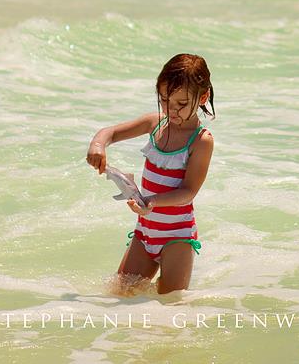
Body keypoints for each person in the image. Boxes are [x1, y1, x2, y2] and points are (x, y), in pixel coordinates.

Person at [86, 53, 215, 296]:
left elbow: (188, 192)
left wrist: (152, 202)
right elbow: (110, 132)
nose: (171, 110)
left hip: (177, 237)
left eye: (181, 104)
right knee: (118, 294)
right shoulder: (154, 123)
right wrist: (98, 145)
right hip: (145, 231)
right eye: (164, 100)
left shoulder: (200, 141)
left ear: (203, 97)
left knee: (171, 304)